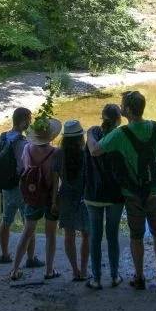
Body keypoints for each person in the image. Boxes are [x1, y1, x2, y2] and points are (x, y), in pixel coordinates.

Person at [87, 90, 156, 290]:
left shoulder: (120, 134)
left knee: (136, 235)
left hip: (133, 195)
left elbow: (95, 150)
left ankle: (139, 277)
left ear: (126, 110)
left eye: (122, 105)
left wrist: (90, 134)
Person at [9, 116, 62, 281]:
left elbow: (26, 171)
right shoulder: (55, 153)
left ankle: (14, 269)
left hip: (32, 195)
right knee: (50, 235)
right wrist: (54, 201)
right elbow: (55, 181)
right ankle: (49, 270)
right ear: (50, 136)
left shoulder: (27, 149)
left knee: (27, 232)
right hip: (50, 197)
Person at [83, 104, 125, 290]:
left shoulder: (92, 133)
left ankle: (96, 279)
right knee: (112, 236)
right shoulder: (122, 135)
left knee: (95, 237)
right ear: (119, 119)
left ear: (102, 116)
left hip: (93, 193)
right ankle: (115, 276)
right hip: (115, 194)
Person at [0, 107, 41, 267]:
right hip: (21, 188)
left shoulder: (1, 138)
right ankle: (30, 258)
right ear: (23, 122)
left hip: (6, 187)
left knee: (6, 220)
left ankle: (5, 255)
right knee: (29, 222)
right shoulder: (23, 143)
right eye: (29, 120)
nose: (30, 122)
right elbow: (26, 168)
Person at [56, 120, 90, 281]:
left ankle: (75, 270)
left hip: (65, 197)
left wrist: (52, 201)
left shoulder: (58, 154)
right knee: (86, 235)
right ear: (80, 138)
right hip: (84, 198)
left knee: (68, 235)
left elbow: (54, 179)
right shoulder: (85, 154)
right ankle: (84, 270)